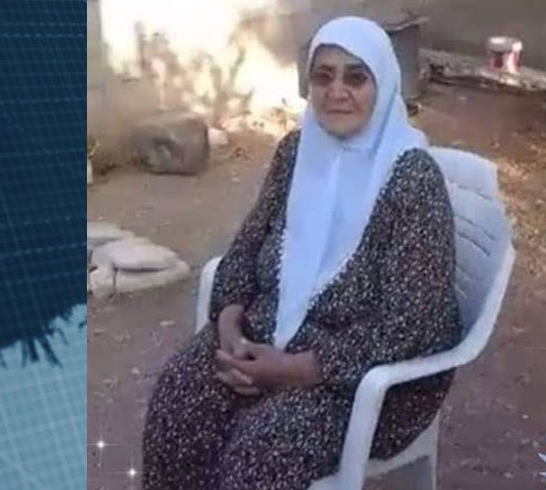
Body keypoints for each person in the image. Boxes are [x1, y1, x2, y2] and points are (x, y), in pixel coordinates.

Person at [142, 16, 462, 490]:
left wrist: (294, 369)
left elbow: (412, 325)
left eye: (356, 78)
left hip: (364, 379)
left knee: (261, 454)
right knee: (179, 398)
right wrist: (230, 334)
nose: (336, 92)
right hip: (264, 338)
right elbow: (246, 250)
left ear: (384, 85)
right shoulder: (296, 151)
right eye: (323, 76)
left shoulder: (412, 180)